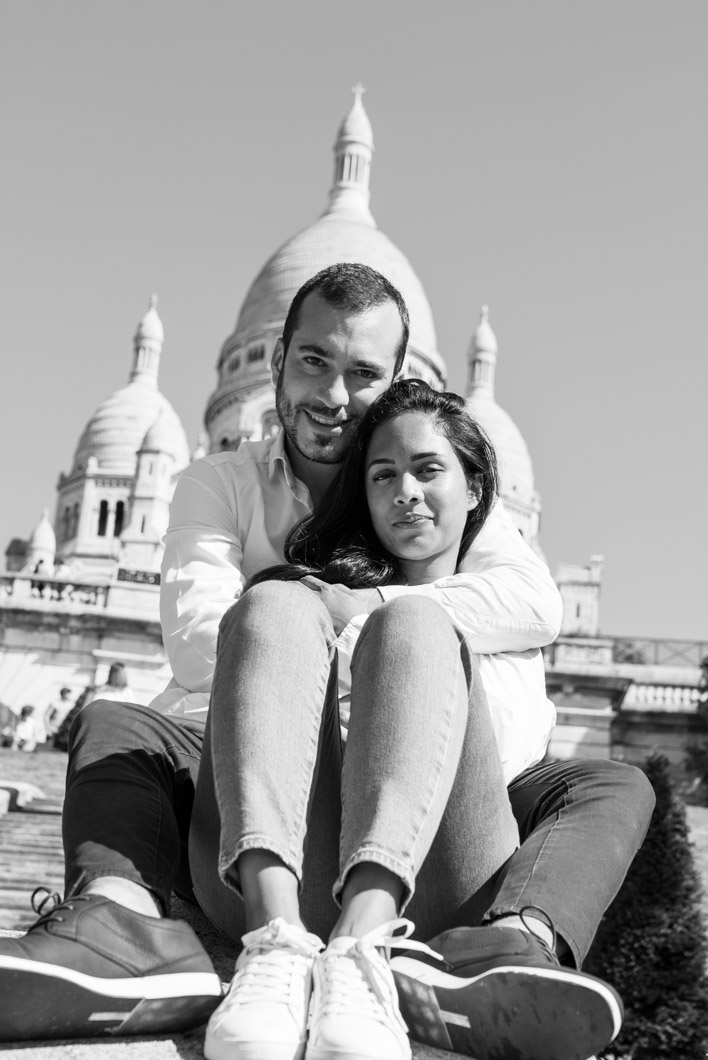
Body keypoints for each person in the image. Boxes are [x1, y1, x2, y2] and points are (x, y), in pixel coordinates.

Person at [0, 264, 654, 1052]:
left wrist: (376, 618)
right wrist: (319, 626)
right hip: (260, 801)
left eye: (365, 374)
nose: (336, 395)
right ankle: (124, 920)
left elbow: (536, 603)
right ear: (276, 358)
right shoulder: (224, 483)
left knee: (604, 775)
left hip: (435, 826)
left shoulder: (442, 500)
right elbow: (201, 642)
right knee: (128, 712)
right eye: (315, 360)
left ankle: (503, 943)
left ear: (474, 483)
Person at [196, 379, 623, 1060]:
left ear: (479, 489)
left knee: (419, 626)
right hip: (297, 865)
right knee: (272, 601)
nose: (406, 492)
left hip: (440, 881)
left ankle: (367, 947)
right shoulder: (313, 594)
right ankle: (272, 946)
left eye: (428, 470)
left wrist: (374, 618)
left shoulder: (510, 605)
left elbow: (509, 766)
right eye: (382, 475)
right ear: (361, 495)